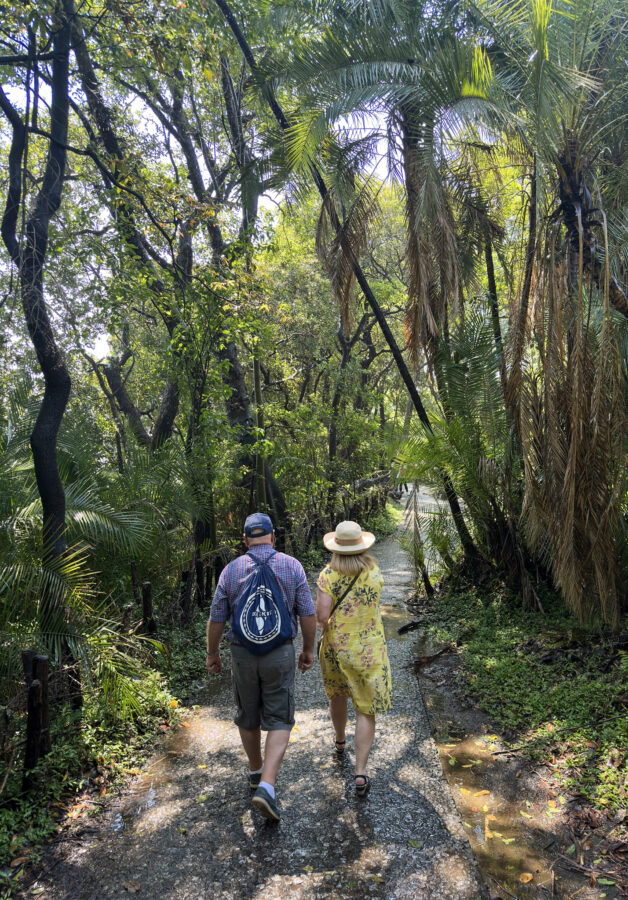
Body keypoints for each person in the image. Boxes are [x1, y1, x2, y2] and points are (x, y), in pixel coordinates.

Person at [206, 512, 316, 821]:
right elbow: (307, 612)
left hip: (242, 654)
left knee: (248, 713)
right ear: (273, 536)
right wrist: (308, 649)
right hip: (279, 653)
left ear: (245, 540)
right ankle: (267, 784)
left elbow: (217, 616)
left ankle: (255, 772)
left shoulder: (231, 570)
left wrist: (212, 653)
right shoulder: (291, 566)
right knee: (280, 716)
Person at [316, 520, 392, 796]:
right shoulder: (373, 571)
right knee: (365, 709)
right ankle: (360, 772)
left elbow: (322, 617)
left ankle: (339, 742)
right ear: (362, 545)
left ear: (336, 547)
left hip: (338, 648)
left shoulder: (328, 574)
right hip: (370, 650)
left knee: (338, 695)